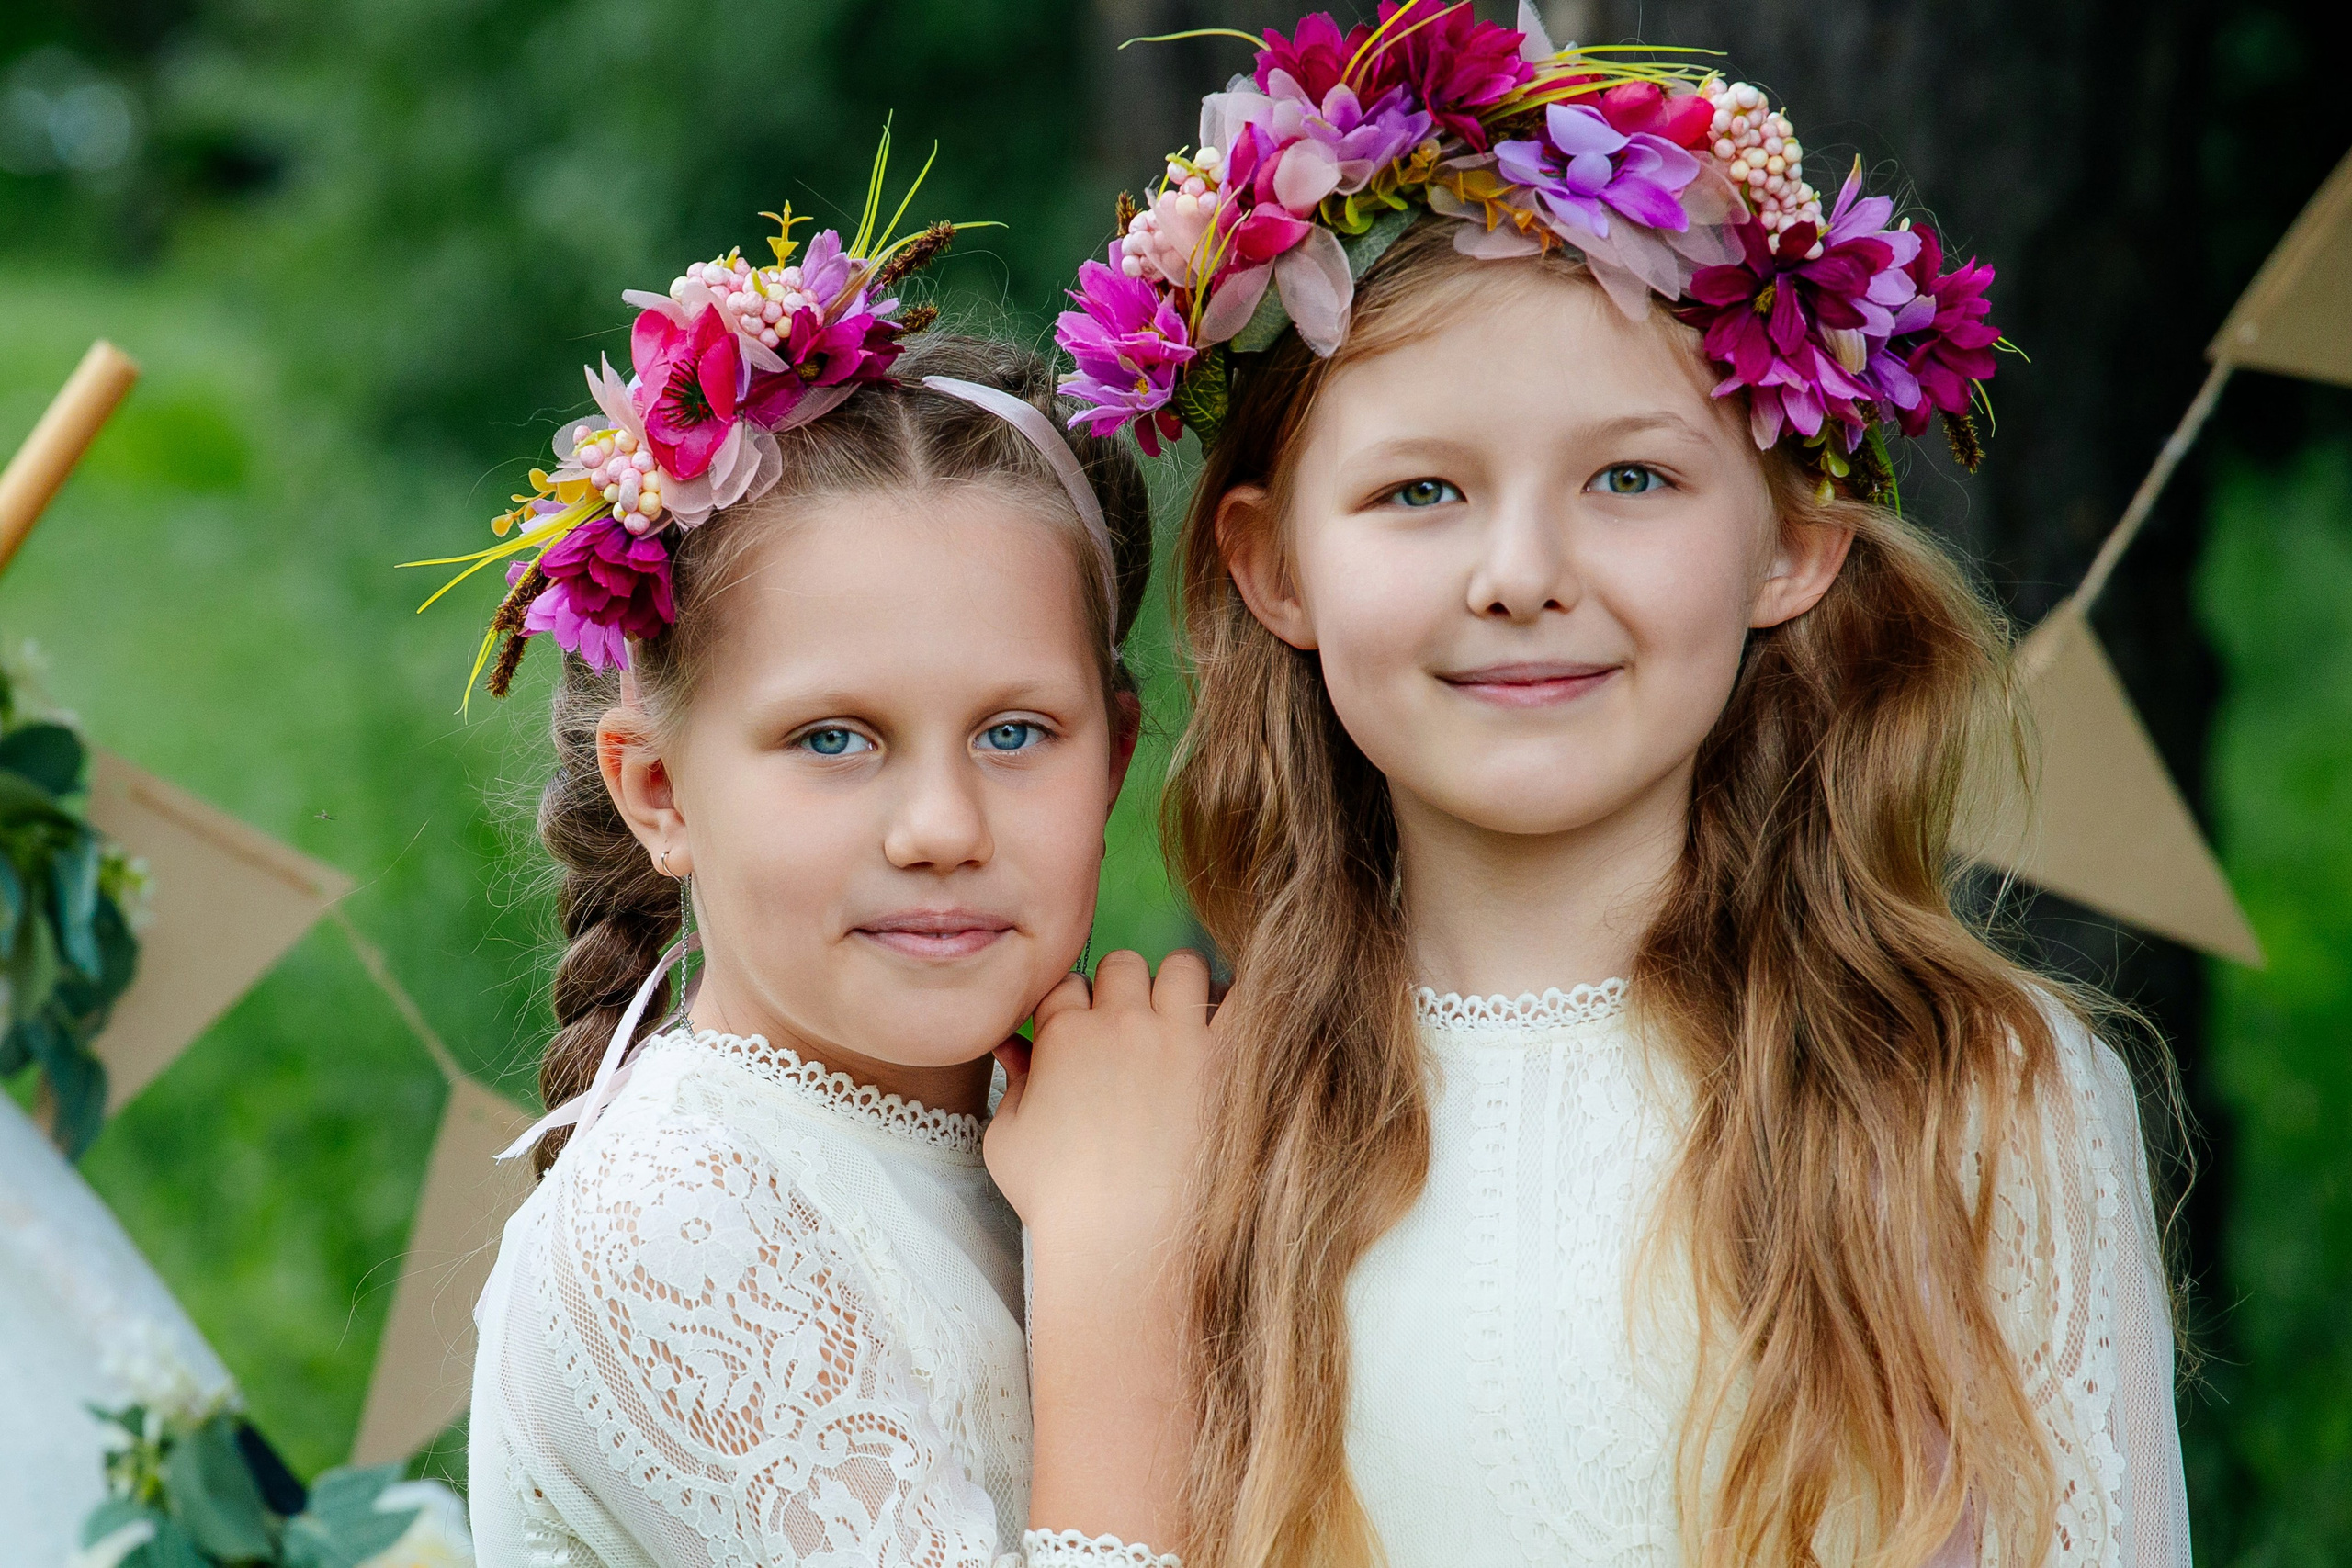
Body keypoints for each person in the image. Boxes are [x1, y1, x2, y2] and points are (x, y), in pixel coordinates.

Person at [992, 7, 2191, 1567]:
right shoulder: (1188, 1126)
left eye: (1631, 479)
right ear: (1273, 564)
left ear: (1789, 541)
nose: (1522, 577)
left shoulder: (1979, 1098)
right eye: (1421, 491)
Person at [439, 186, 1179, 1567]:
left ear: (1115, 752)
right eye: (834, 739)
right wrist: (1120, 1254)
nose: (941, 825)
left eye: (1016, 733)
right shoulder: (675, 1223)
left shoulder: (1090, 1116)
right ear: (658, 789)